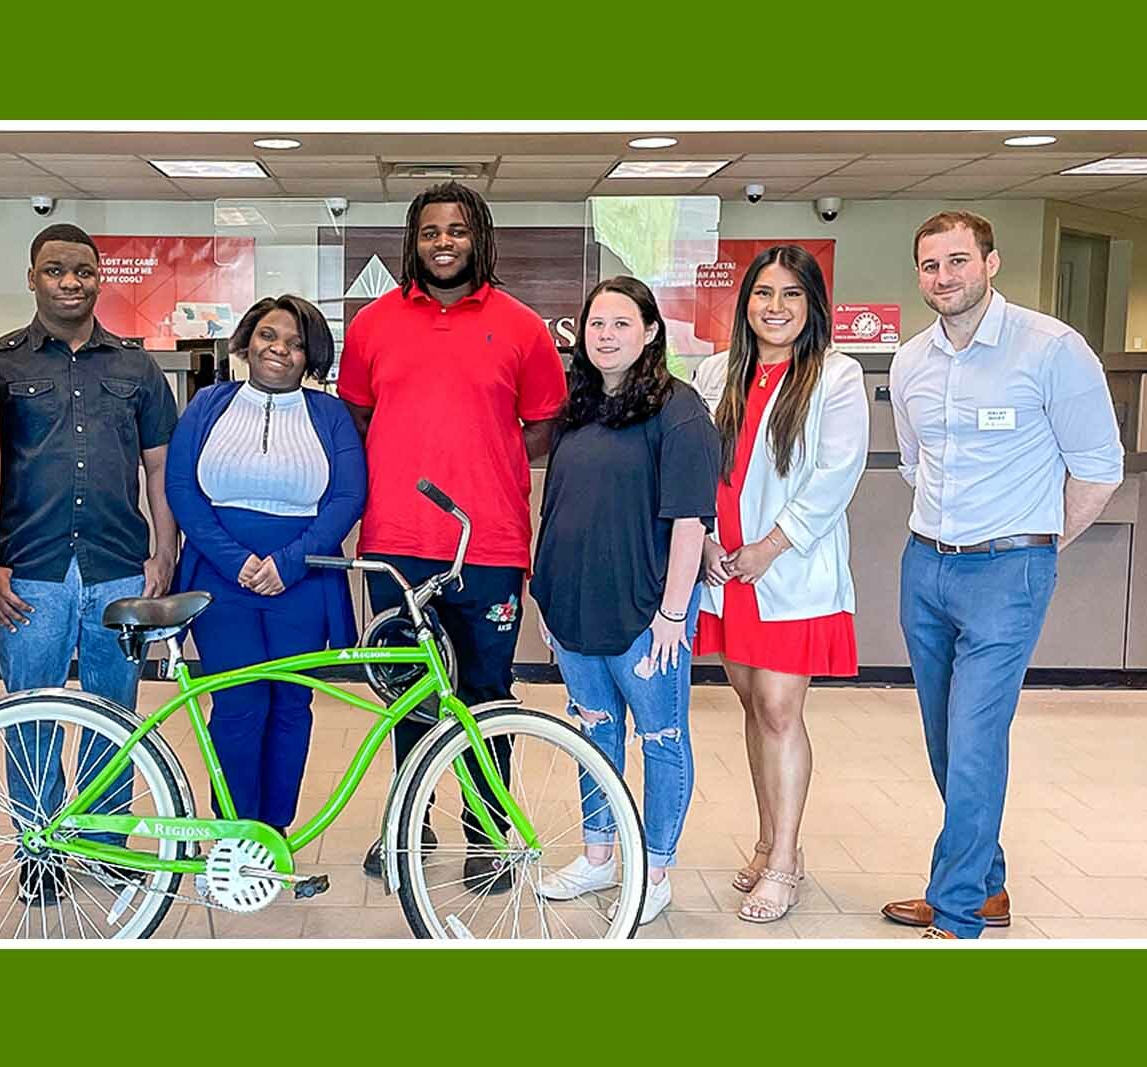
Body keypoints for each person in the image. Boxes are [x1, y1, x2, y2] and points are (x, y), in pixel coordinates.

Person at [884, 211, 1122, 939]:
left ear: (991, 263)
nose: (944, 277)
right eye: (930, 265)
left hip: (1008, 569)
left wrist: (1039, 547)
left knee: (977, 736)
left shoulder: (1051, 349)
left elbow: (1098, 468)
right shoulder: (911, 361)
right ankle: (985, 884)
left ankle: (956, 912)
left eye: (958, 261)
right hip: (926, 565)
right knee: (945, 739)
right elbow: (914, 464)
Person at [337, 181, 568, 893]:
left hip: (488, 545)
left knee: (486, 694)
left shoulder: (523, 326)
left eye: (458, 230)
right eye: (431, 230)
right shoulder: (373, 324)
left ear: (480, 238)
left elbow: (541, 424)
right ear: (414, 240)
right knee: (407, 692)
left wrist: (482, 461)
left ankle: (486, 830)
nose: (444, 242)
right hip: (395, 545)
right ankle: (411, 821)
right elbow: (358, 419)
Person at [0, 224, 179, 906]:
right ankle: (39, 845)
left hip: (119, 566)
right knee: (29, 711)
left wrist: (165, 548)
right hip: (26, 569)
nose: (71, 282)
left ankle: (102, 843)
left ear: (101, 278)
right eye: (56, 270)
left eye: (84, 271)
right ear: (33, 277)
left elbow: (160, 469)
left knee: (112, 712)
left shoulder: (136, 367)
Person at [530, 277, 718, 926]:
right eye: (596, 324)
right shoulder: (577, 409)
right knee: (595, 736)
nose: (605, 335)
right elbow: (555, 508)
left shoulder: (680, 410)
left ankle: (655, 867)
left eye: (620, 323)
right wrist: (546, 600)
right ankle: (599, 856)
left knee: (661, 738)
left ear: (650, 332)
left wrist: (673, 612)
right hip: (574, 608)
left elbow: (691, 519)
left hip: (647, 615)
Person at [692, 245, 868, 924]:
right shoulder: (717, 372)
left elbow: (837, 472)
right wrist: (705, 537)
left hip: (787, 567)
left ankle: (787, 858)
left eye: (791, 295)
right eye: (763, 294)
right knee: (751, 704)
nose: (775, 307)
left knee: (778, 707)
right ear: (745, 305)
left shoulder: (835, 375)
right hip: (725, 568)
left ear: (813, 306)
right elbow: (695, 461)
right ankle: (766, 840)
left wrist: (769, 545)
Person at [165, 295, 366, 832]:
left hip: (302, 582)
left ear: (311, 358)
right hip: (219, 579)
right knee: (238, 706)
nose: (280, 349)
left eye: (297, 344)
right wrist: (237, 562)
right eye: (269, 335)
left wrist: (288, 563)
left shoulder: (330, 414)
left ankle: (273, 835)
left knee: (291, 709)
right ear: (248, 341)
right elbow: (182, 489)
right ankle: (233, 832)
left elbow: (348, 497)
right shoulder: (209, 404)